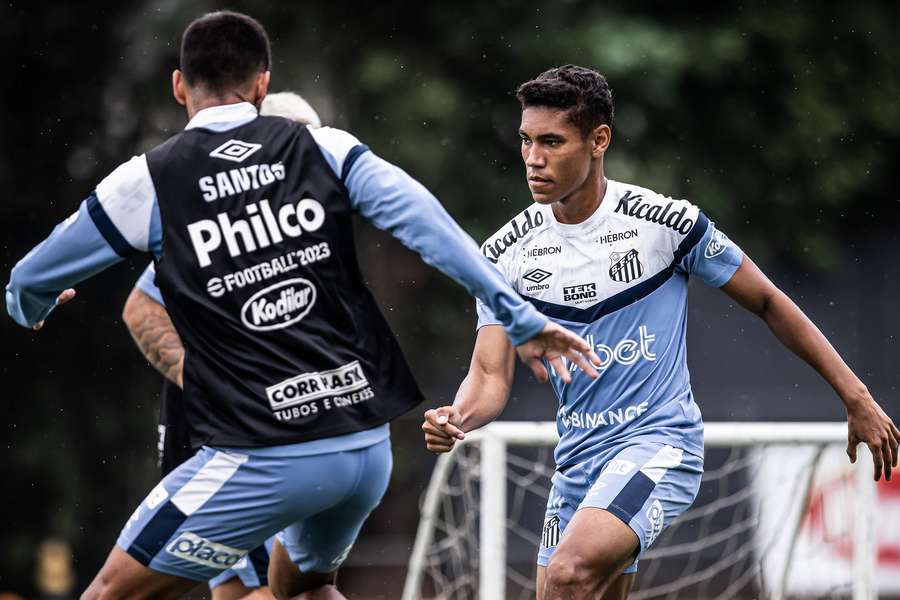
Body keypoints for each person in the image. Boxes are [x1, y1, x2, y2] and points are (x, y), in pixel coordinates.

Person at [4, 13, 600, 600]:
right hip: (364, 450)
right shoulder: (327, 148)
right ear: (262, 84)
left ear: (179, 86)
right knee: (298, 588)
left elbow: (28, 278)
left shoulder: (148, 181)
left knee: (111, 592)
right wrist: (520, 317)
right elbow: (434, 230)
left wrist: (33, 307)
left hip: (266, 455)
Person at [420, 64, 900, 600]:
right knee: (570, 589)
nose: (533, 159)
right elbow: (488, 377)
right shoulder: (502, 254)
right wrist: (455, 417)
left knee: (568, 573)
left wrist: (855, 397)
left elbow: (768, 301)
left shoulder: (665, 225)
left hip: (658, 444)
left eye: (552, 142)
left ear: (599, 140)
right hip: (577, 461)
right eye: (526, 141)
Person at [122, 92, 323, 600]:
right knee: (257, 587)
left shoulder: (308, 222)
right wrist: (215, 385)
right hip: (236, 435)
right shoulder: (224, 225)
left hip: (277, 434)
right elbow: (142, 307)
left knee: (263, 587)